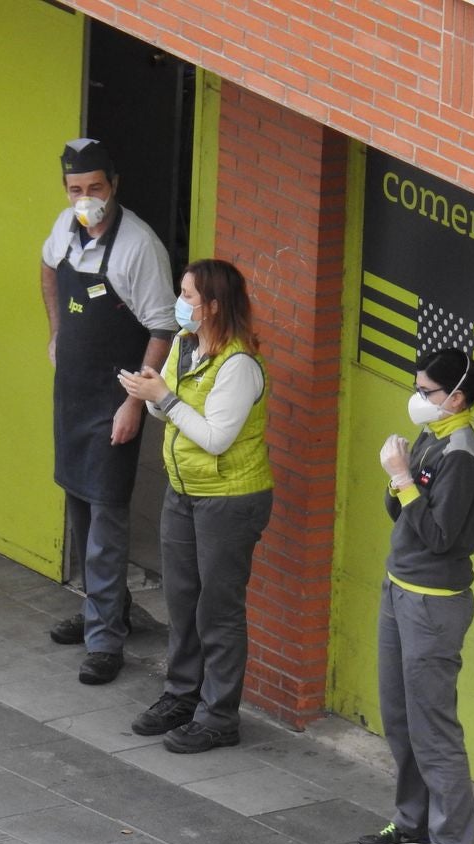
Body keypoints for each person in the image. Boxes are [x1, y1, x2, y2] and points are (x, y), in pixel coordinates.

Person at [119, 258, 273, 748]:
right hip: (183, 492)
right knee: (182, 600)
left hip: (229, 500)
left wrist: (162, 397)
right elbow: (162, 406)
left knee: (218, 610)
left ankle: (219, 716)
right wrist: (150, 392)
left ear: (211, 306)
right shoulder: (185, 346)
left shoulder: (239, 365)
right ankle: (181, 695)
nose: (179, 303)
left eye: (187, 296)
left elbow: (215, 438)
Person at [357, 348, 474, 844]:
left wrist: (401, 478)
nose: (418, 399)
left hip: (433, 605)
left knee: (435, 731)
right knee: (400, 716)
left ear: (456, 397)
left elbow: (440, 537)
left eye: (427, 391)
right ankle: (413, 824)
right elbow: (404, 515)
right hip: (399, 589)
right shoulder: (436, 435)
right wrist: (401, 481)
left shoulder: (463, 452)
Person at [42, 138, 177, 685]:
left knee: (107, 515)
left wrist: (133, 403)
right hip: (73, 390)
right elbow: (48, 269)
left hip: (114, 398)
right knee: (78, 498)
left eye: (95, 188)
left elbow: (163, 328)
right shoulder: (65, 227)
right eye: (76, 190)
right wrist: (55, 333)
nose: (86, 198)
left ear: (113, 185)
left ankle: (105, 641)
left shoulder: (139, 247)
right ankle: (108, 606)